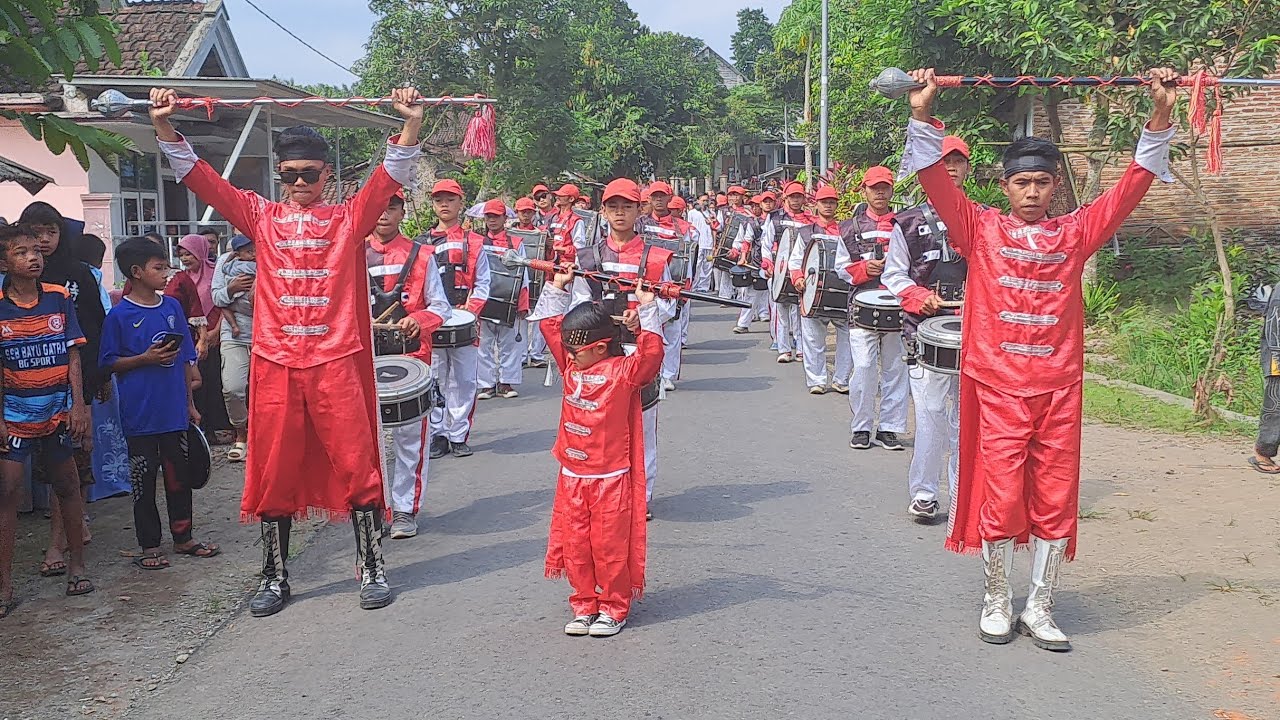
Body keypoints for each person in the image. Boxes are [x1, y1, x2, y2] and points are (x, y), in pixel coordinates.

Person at [902, 67, 1178, 650]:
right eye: (1022, 181)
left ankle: (1042, 604)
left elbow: (1131, 186)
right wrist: (922, 113)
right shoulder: (977, 227)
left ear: (1057, 187)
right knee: (1000, 496)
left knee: (1056, 497)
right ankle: (998, 598)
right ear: (1003, 185)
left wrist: (1159, 114)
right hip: (999, 388)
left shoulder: (1077, 232)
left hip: (1058, 388)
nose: (1032, 191)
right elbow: (933, 179)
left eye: (1043, 182)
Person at [149, 84, 424, 615]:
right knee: (272, 468)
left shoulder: (349, 217)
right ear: (280, 176)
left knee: (357, 460)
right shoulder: (259, 216)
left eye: (309, 174)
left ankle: (371, 565)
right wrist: (164, 126)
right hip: (276, 362)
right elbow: (203, 180)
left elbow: (389, 175)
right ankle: (275, 576)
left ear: (327, 176)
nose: (299, 183)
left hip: (336, 358)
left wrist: (408, 125)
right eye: (290, 174)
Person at [532, 233, 663, 638]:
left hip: (610, 479)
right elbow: (553, 328)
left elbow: (652, 355)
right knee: (577, 544)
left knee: (609, 547)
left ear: (603, 346)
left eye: (578, 350)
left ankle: (614, 607)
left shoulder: (624, 373)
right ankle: (585, 603)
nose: (569, 357)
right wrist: (558, 285)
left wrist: (646, 310)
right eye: (569, 351)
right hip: (573, 476)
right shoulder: (572, 369)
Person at [101, 237, 219, 573]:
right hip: (139, 414)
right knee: (144, 479)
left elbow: (184, 358)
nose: (167, 273)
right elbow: (110, 362)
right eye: (159, 267)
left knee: (178, 477)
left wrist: (190, 403)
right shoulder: (119, 316)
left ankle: (184, 537)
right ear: (136, 273)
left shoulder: (171, 308)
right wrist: (144, 358)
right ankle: (149, 544)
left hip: (174, 413)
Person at [0, 223, 95, 617]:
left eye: (35, 251)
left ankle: (77, 568)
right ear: (5, 260)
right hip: (13, 416)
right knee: (7, 494)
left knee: (68, 487)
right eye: (21, 252)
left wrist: (78, 405)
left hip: (56, 412)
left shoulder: (58, 298)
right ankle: (4, 587)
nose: (33, 256)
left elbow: (73, 354)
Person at [883, 135, 974, 519]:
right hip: (925, 331)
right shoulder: (907, 221)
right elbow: (894, 276)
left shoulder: (982, 217)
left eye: (958, 161)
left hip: (972, 331)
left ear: (969, 169)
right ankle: (924, 491)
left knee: (968, 418)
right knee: (933, 412)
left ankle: (963, 493)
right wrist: (920, 297)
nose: (951, 168)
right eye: (943, 162)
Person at [18, 202, 106, 576]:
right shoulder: (13, 284)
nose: (43, 240)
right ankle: (73, 522)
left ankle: (60, 540)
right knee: (47, 467)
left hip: (75, 381)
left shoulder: (78, 276)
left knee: (71, 458)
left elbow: (96, 328)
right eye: (35, 232)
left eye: (51, 231)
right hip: (28, 388)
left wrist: (98, 380)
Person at [366, 194, 451, 539]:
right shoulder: (352, 253)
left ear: (402, 212)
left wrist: (419, 320)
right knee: (366, 441)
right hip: (364, 359)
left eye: (392, 208)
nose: (384, 215)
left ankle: (403, 510)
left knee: (409, 439)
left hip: (411, 360)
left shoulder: (423, 255)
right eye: (379, 208)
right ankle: (371, 507)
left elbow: (441, 307)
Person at [837, 166, 908, 449]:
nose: (880, 193)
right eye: (874, 187)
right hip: (861, 305)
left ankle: (889, 427)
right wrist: (866, 268)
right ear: (863, 190)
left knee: (895, 367)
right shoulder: (848, 227)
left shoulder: (906, 223)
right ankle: (862, 426)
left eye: (885, 188)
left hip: (899, 305)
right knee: (865, 367)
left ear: (892, 190)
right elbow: (840, 269)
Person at [423, 179, 490, 459]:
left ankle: (459, 434)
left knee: (464, 381)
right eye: (439, 200)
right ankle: (437, 434)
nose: (444, 204)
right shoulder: (421, 244)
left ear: (460, 203)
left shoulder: (474, 242)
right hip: (432, 323)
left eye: (450, 199)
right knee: (434, 380)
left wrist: (468, 313)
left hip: (464, 322)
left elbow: (483, 282)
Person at [72, 234, 131, 502]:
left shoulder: (73, 276)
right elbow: (102, 319)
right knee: (102, 424)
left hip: (79, 359)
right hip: (97, 359)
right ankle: (109, 480)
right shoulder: (90, 276)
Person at [169, 233, 233, 444]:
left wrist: (215, 332)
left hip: (218, 332)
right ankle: (201, 428)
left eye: (190, 254)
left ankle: (221, 426)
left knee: (216, 381)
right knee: (196, 380)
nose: (186, 258)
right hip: (191, 336)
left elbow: (227, 304)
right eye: (182, 254)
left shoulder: (217, 274)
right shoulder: (180, 279)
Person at [789, 186, 852, 394]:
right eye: (824, 202)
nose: (828, 205)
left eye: (832, 202)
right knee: (813, 339)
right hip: (812, 293)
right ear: (816, 204)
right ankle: (816, 380)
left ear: (836, 205)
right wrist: (798, 278)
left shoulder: (846, 230)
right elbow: (795, 260)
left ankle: (841, 379)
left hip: (843, 293)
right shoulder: (806, 232)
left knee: (848, 337)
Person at [638, 182, 694, 390]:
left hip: (672, 284)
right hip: (644, 282)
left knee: (672, 328)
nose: (658, 200)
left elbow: (688, 259)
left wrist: (686, 288)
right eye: (655, 196)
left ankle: (668, 375)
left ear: (670, 199)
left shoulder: (683, 228)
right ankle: (647, 372)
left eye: (662, 196)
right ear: (649, 199)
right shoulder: (640, 223)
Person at [476, 199, 529, 400]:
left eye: (496, 216)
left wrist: (523, 304)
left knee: (510, 345)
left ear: (505, 218)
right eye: (488, 216)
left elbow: (524, 276)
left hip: (509, 300)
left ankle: (506, 383)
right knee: (483, 345)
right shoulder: (477, 242)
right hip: (485, 300)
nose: (492, 220)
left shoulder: (516, 243)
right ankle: (487, 385)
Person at [211, 234, 255, 462]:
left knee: (267, 392)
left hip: (269, 330)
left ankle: (264, 438)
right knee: (233, 387)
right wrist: (231, 288)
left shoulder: (270, 255)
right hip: (234, 332)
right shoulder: (225, 262)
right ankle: (241, 432)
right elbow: (217, 298)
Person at [765, 183, 812, 364]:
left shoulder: (809, 220)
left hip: (800, 271)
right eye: (792, 197)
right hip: (778, 270)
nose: (795, 200)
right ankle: (784, 349)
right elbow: (766, 243)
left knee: (801, 312)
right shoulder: (775, 217)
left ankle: (801, 349)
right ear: (785, 198)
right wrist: (767, 263)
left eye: (799, 197)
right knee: (781, 311)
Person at [727, 187, 769, 333]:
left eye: (758, 205)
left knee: (776, 298)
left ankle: (768, 318)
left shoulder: (776, 221)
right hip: (755, 263)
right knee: (751, 294)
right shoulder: (749, 223)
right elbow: (743, 241)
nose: (755, 208)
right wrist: (740, 255)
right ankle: (744, 324)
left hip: (775, 264)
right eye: (753, 205)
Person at [548, 184, 586, 263]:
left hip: (566, 265)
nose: (557, 197)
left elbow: (580, 249)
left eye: (561, 195)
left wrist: (560, 249)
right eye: (557, 195)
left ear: (571, 199)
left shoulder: (576, 221)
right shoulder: (553, 217)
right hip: (550, 264)